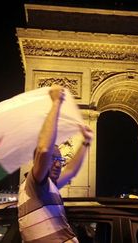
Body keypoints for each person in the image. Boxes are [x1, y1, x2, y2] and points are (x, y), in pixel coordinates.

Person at [18, 85, 94, 242]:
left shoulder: (48, 187)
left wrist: (86, 142)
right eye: (54, 159)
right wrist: (56, 103)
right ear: (37, 161)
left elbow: (71, 170)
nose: (59, 164)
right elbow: (44, 148)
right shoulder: (35, 183)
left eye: (61, 160)